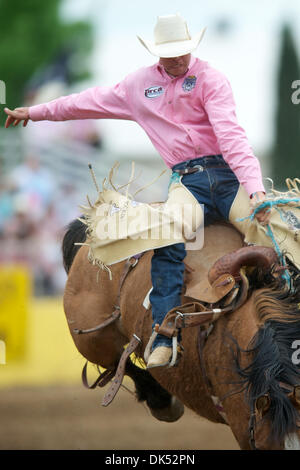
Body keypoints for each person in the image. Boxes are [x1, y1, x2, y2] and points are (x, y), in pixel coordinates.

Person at [4, 14, 270, 368]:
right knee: (167, 234)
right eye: (170, 53)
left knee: (267, 229)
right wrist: (36, 113)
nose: (177, 59)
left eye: (182, 52)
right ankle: (164, 329)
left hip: (227, 178)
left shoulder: (211, 79)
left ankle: (284, 315)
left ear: (191, 48)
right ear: (157, 53)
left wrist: (255, 190)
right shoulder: (138, 86)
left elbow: (231, 136)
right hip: (187, 182)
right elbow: (86, 101)